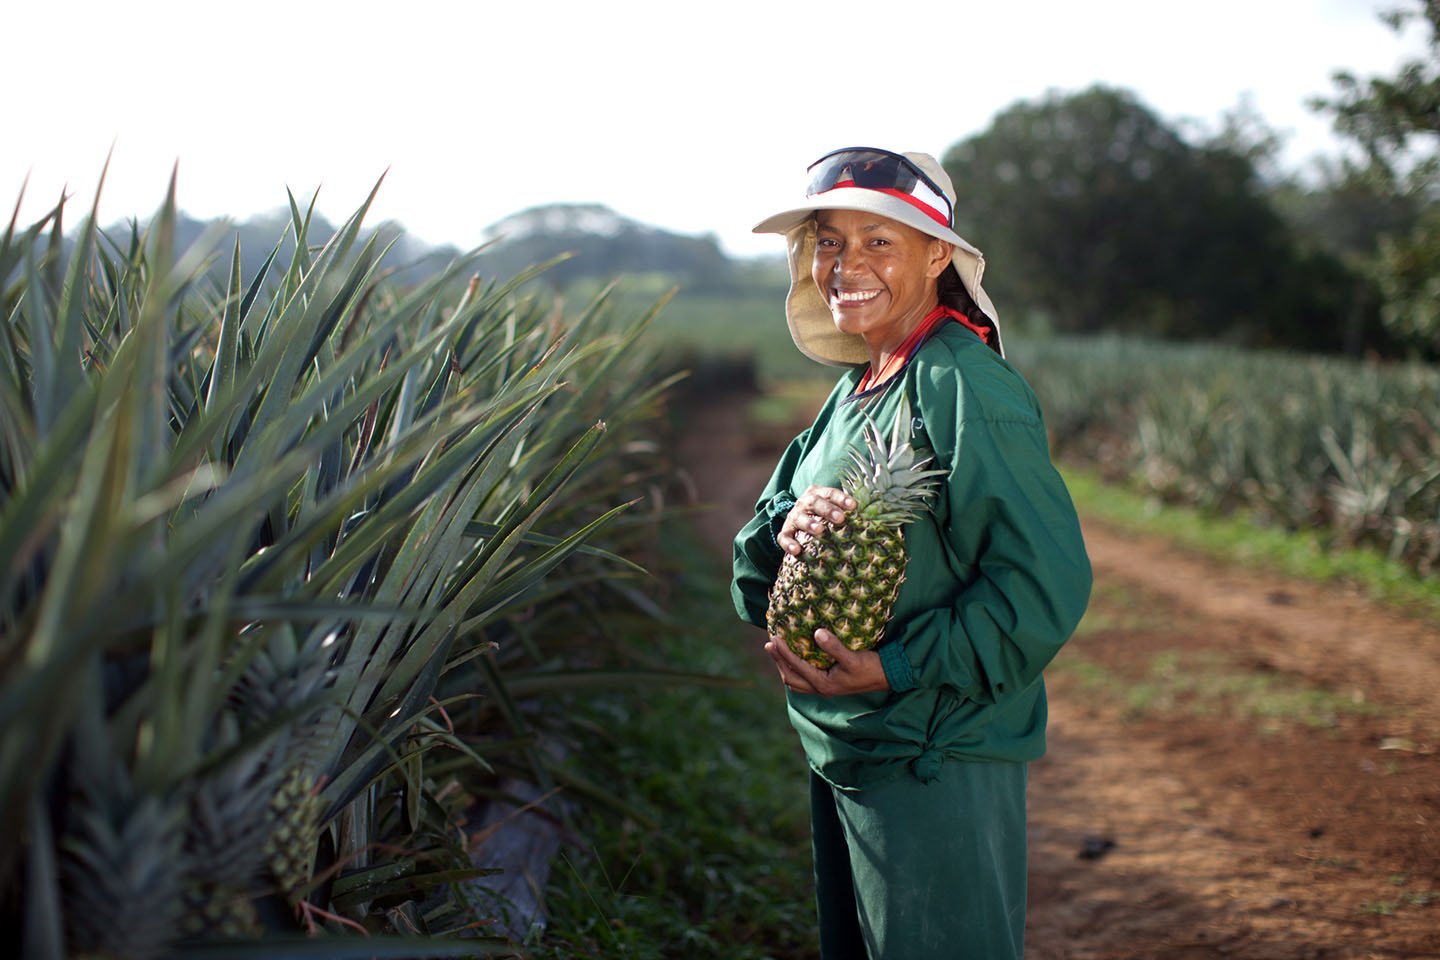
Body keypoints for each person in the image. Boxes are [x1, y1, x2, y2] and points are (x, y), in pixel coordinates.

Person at [731, 147, 1092, 959]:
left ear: (938, 255)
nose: (845, 265)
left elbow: (1043, 587)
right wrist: (788, 527)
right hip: (848, 745)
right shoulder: (855, 391)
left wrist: (895, 666)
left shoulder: (963, 383)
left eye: (879, 241)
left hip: (934, 754)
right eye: (829, 242)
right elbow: (752, 579)